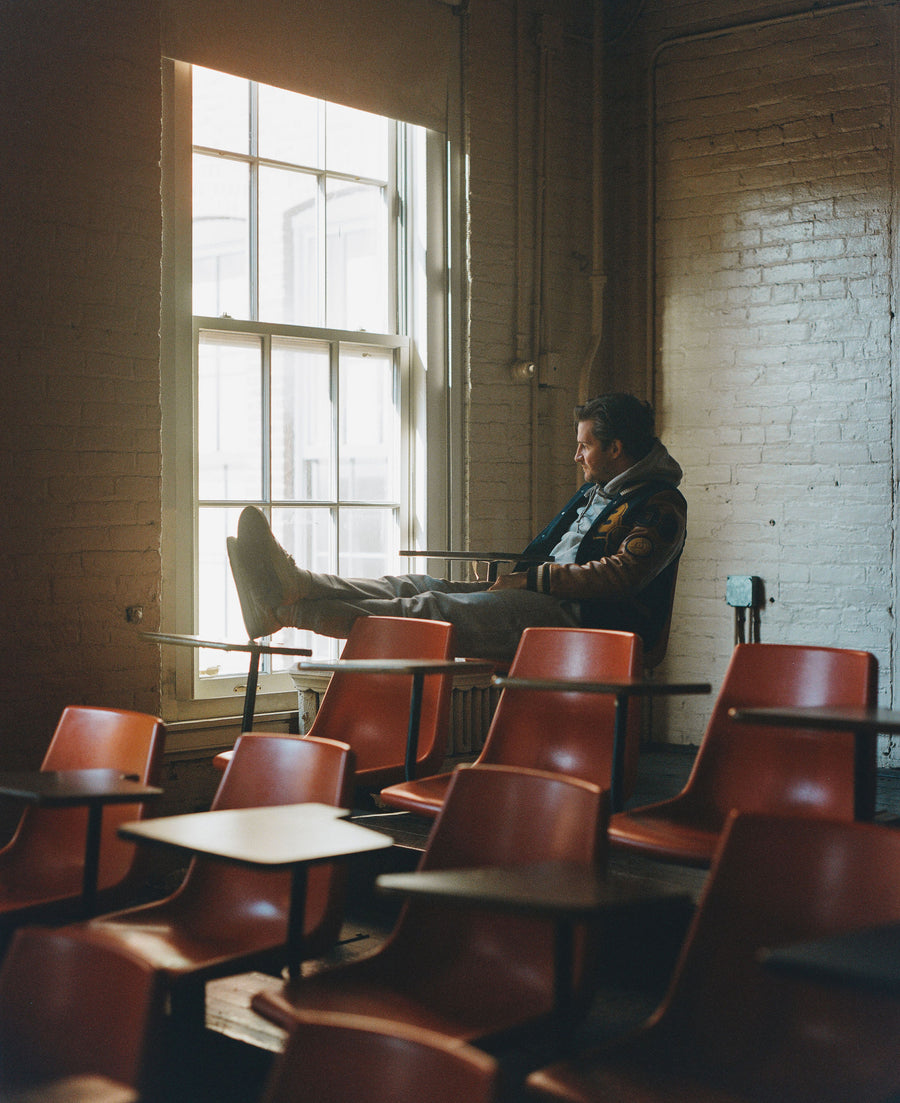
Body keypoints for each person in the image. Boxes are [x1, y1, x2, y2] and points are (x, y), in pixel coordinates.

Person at [226, 393, 687, 662]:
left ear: (616, 448)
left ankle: (285, 613)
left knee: (430, 607)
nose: (576, 456)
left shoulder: (661, 504)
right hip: (545, 596)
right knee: (411, 585)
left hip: (594, 622)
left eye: (585, 446)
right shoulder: (598, 490)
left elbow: (622, 576)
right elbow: (550, 553)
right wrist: (513, 580)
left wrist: (530, 581)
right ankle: (297, 585)